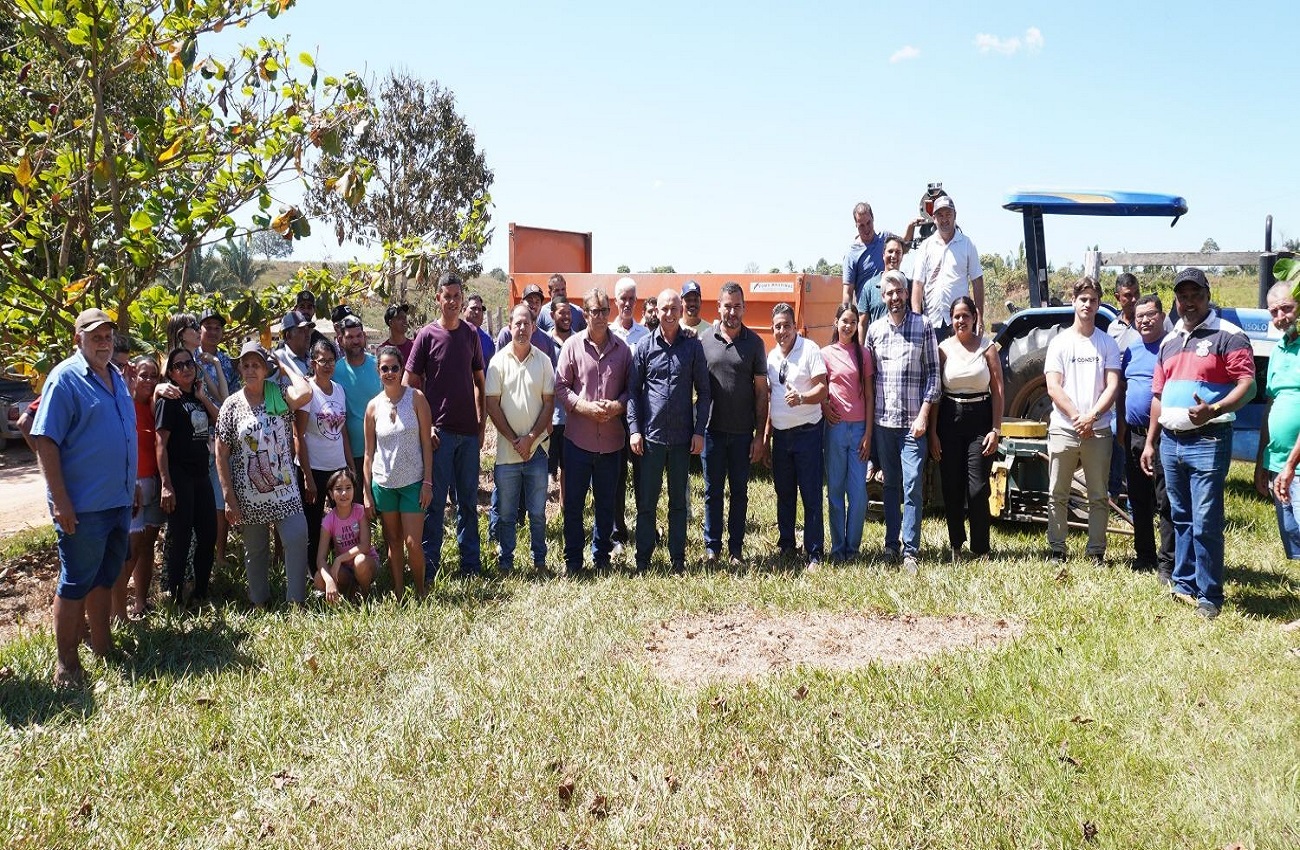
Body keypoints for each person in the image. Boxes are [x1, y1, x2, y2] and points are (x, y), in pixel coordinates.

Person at [1142, 268, 1256, 620]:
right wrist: (1150, 442)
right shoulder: (1169, 340)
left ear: (1208, 295)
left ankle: (1209, 594)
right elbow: (1158, 395)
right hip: (1170, 443)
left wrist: (1215, 409)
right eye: (1183, 296)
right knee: (1180, 516)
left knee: (1205, 518)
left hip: (1208, 438)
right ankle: (1183, 583)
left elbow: (1248, 386)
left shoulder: (1229, 335)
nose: (1189, 302)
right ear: (1175, 301)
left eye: (1196, 295)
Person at [31, 308, 136, 688]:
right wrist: (60, 501)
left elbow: (123, 434)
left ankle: (103, 646)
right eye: (95, 336)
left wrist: (131, 485)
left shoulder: (117, 377)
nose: (104, 342)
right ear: (78, 340)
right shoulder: (65, 379)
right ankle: (66, 664)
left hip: (118, 500)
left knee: (105, 577)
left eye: (108, 336)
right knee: (75, 581)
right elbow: (45, 439)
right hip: (84, 505)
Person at [215, 342, 314, 607]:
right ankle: (260, 601)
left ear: (265, 369)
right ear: (239, 369)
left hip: (285, 491)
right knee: (256, 550)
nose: (250, 370)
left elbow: (305, 393)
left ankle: (296, 602)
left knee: (296, 538)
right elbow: (221, 453)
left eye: (256, 365)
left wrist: (284, 367)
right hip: (250, 495)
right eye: (245, 365)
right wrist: (228, 497)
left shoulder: (279, 393)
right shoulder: (231, 406)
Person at [405, 272, 486, 577]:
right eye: (446, 296)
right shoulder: (426, 336)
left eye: (456, 296)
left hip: (467, 435)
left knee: (468, 503)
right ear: (437, 298)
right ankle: (430, 568)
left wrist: (480, 427)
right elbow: (409, 385)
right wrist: (424, 427)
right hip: (438, 437)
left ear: (462, 299)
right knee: (435, 504)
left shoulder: (470, 335)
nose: (452, 301)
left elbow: (480, 381)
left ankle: (471, 565)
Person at [628, 288, 711, 571]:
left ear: (681, 311)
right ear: (656, 311)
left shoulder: (692, 346)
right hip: (650, 438)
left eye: (674, 308)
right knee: (647, 502)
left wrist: (699, 431)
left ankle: (678, 559)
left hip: (681, 439)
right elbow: (632, 392)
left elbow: (705, 391)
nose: (669, 313)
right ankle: (643, 559)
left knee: (678, 503)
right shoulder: (644, 347)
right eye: (664, 308)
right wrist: (634, 429)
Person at [1044, 277, 1121, 565]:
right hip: (1065, 428)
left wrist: (1093, 416)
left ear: (1099, 303)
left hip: (1098, 429)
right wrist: (1078, 417)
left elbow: (1112, 385)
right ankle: (1057, 548)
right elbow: (1053, 386)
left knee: (1099, 494)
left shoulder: (1107, 343)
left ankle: (1096, 551)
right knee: (1057, 492)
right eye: (1083, 299)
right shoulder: (1060, 343)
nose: (1088, 304)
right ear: (1074, 302)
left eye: (1093, 299)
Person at [866, 270, 939, 573]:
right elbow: (869, 381)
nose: (894, 297)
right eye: (888, 293)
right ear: (882, 297)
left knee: (912, 486)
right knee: (891, 486)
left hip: (912, 424)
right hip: (884, 423)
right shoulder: (874, 331)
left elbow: (934, 376)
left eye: (899, 291)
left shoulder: (923, 327)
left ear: (907, 293)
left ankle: (911, 550)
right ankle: (890, 545)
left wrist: (924, 414)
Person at [556, 288, 632, 575]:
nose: (599, 317)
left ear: (609, 313)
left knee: (605, 506)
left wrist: (616, 406)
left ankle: (600, 557)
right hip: (578, 440)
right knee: (574, 505)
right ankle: (573, 561)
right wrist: (583, 407)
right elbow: (560, 386)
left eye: (604, 311)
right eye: (594, 311)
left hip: (611, 443)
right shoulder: (572, 347)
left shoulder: (622, 350)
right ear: (585, 314)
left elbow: (630, 391)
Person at [929, 296, 1003, 561]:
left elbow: (998, 391)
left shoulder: (988, 348)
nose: (961, 321)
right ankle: (956, 546)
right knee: (951, 485)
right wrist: (933, 432)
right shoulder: (943, 348)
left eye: (966, 316)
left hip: (980, 419)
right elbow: (936, 392)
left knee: (977, 487)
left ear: (974, 318)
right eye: (957, 316)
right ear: (951, 320)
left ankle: (981, 548)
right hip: (949, 418)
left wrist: (996, 429)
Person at [699, 282, 769, 565]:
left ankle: (736, 549)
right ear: (718, 307)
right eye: (727, 306)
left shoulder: (755, 343)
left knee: (739, 492)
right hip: (711, 431)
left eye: (737, 306)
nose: (732, 311)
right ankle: (712, 548)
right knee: (712, 491)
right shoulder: (704, 340)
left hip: (742, 434)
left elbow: (762, 391)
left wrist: (760, 436)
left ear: (744, 308)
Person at [486, 305, 556, 573]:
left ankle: (540, 562)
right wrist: (516, 440)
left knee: (538, 514)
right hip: (507, 453)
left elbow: (549, 403)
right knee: (505, 514)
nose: (522, 328)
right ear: (510, 327)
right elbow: (492, 405)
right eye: (517, 323)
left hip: (537, 451)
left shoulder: (544, 361)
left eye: (527, 323)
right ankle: (506, 562)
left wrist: (530, 439)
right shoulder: (498, 362)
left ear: (534, 328)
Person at [366, 345, 434, 598]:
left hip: (413, 482)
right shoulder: (372, 407)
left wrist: (428, 482)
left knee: (412, 543)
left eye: (395, 367)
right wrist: (367, 492)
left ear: (402, 368)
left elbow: (427, 443)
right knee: (392, 542)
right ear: (378, 371)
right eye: (385, 368)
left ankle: (419, 590)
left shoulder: (416, 398)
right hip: (384, 483)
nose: (390, 372)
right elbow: (369, 454)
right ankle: (398, 591)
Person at [765, 302, 829, 567]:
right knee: (785, 493)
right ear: (773, 329)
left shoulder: (810, 350)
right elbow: (769, 399)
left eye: (787, 326)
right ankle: (787, 546)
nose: (783, 331)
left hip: (808, 434)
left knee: (811, 494)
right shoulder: (771, 357)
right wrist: (766, 435)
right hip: (781, 437)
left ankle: (814, 552)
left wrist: (802, 398)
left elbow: (823, 389)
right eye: (778, 327)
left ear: (795, 326)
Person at [1118, 294, 1175, 582]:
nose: (1144, 321)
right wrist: (1121, 427)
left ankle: (1168, 564)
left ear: (1162, 316)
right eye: (1139, 316)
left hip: (1164, 438)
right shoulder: (1131, 350)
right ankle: (1144, 556)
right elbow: (1123, 389)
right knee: (1139, 499)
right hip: (1134, 436)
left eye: (1150, 314)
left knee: (1165, 501)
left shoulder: (1171, 346)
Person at [156, 346, 219, 607]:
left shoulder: (196, 397)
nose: (186, 369)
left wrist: (203, 397)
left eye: (189, 364)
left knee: (208, 535)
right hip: (179, 477)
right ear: (170, 373)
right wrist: (166, 484)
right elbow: (160, 444)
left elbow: (219, 420)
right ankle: (175, 595)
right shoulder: (168, 400)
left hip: (201, 475)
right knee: (180, 537)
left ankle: (201, 592)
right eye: (179, 365)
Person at [296, 338, 354, 571]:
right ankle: (315, 573)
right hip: (315, 469)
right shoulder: (308, 392)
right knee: (313, 524)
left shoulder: (339, 390)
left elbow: (344, 432)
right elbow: (298, 436)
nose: (328, 365)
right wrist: (307, 476)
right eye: (323, 361)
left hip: (338, 468)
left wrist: (350, 465)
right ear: (313, 363)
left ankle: (344, 569)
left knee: (344, 520)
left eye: (332, 360)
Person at [822, 303, 874, 563]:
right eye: (844, 320)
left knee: (858, 493)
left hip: (859, 430)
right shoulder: (825, 354)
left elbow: (870, 394)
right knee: (834, 491)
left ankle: (853, 548)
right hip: (835, 429)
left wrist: (868, 433)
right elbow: (820, 387)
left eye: (853, 322)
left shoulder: (863, 354)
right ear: (836, 322)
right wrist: (824, 406)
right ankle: (837, 548)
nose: (848, 326)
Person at [119, 355, 165, 621]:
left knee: (148, 546)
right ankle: (116, 609)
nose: (148, 380)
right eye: (143, 374)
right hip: (133, 485)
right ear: (133, 375)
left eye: (153, 376)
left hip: (154, 483)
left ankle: (140, 603)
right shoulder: (124, 404)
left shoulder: (153, 406)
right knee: (132, 548)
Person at [1257, 282, 1300, 562]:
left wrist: (1291, 465)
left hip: (1294, 465)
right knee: (1292, 535)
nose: (1280, 317)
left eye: (1287, 308)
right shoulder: (1278, 351)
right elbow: (1270, 406)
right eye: (1274, 311)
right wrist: (1263, 461)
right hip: (1278, 464)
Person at [610, 276, 650, 548]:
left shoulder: (645, 336)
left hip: (640, 415)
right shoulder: (608, 333)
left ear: (637, 302)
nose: (626, 303)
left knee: (643, 474)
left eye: (631, 298)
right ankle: (617, 532)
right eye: (622, 298)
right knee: (616, 476)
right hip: (614, 415)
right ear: (616, 301)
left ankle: (645, 527)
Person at [910, 195, 984, 341]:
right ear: (934, 218)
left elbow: (977, 281)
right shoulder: (926, 246)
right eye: (940, 215)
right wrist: (917, 319)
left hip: (959, 322)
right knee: (934, 363)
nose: (944, 219)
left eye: (948, 214)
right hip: (932, 321)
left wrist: (979, 316)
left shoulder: (967, 244)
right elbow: (918, 285)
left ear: (955, 215)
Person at [197, 308, 236, 566]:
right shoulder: (187, 357)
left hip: (220, 438)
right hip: (194, 437)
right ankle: (200, 555)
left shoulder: (225, 361)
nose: (213, 331)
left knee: (220, 500)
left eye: (217, 327)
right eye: (208, 326)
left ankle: (218, 555)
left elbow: (230, 399)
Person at [334, 315, 381, 503]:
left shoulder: (378, 365)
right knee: (358, 509)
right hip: (351, 454)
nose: (355, 341)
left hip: (381, 450)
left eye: (358, 336)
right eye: (350, 337)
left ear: (364, 337)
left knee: (383, 508)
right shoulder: (335, 371)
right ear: (340, 340)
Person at [314, 469, 379, 603]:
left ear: (354, 490)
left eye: (348, 488)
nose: (344, 493)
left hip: (367, 564)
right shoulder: (328, 521)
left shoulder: (360, 511)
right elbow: (320, 559)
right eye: (338, 489)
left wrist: (339, 559)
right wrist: (329, 581)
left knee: (359, 561)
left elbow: (365, 546)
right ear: (331, 494)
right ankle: (351, 591)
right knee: (319, 578)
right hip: (345, 570)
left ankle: (366, 596)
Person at [841, 201, 918, 310]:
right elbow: (847, 292)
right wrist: (847, 315)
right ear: (856, 225)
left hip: (894, 304)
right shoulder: (851, 254)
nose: (866, 229)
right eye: (861, 226)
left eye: (868, 223)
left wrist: (911, 227)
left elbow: (904, 247)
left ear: (873, 219)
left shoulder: (885, 238)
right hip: (871, 312)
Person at [547, 301, 576, 506]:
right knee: (544, 466)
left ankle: (564, 510)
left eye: (569, 313)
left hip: (570, 417)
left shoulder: (579, 341)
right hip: (547, 417)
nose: (566, 316)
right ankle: (540, 510)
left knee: (568, 467)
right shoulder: (543, 340)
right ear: (552, 315)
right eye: (561, 313)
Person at [857, 235, 907, 334]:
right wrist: (861, 349)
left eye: (898, 252)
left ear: (902, 256)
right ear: (883, 255)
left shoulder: (909, 285)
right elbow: (862, 324)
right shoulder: (869, 287)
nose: (894, 255)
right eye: (890, 251)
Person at [276, 309, 314, 384]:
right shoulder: (278, 360)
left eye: (308, 330)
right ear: (288, 336)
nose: (307, 335)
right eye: (301, 330)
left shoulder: (312, 358)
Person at [464, 293, 496, 364]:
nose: (477, 312)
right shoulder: (455, 335)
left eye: (480, 309)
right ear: (464, 310)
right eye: (473, 308)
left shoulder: (488, 340)